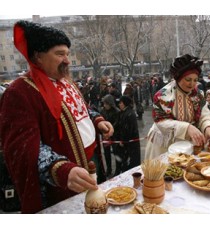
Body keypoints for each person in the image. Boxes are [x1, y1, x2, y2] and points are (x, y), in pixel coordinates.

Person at [0, 20, 114, 213]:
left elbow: (81, 110)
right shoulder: (20, 91)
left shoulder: (66, 82)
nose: (67, 60)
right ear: (38, 56)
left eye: (67, 54)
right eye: (60, 54)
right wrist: (59, 169)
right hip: (62, 184)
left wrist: (97, 120)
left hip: (91, 162)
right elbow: (22, 147)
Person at [145, 54, 210, 159]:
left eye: (195, 80)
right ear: (178, 78)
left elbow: (204, 113)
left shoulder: (198, 94)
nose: (192, 84)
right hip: (164, 144)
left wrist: (208, 128)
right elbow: (161, 122)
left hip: (186, 143)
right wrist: (186, 127)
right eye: (188, 79)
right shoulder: (164, 95)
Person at [115, 96, 141, 175]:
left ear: (125, 103)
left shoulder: (130, 114)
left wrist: (123, 141)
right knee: (125, 162)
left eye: (120, 103)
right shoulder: (122, 112)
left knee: (132, 163)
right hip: (125, 143)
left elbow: (128, 130)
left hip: (131, 144)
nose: (119, 104)